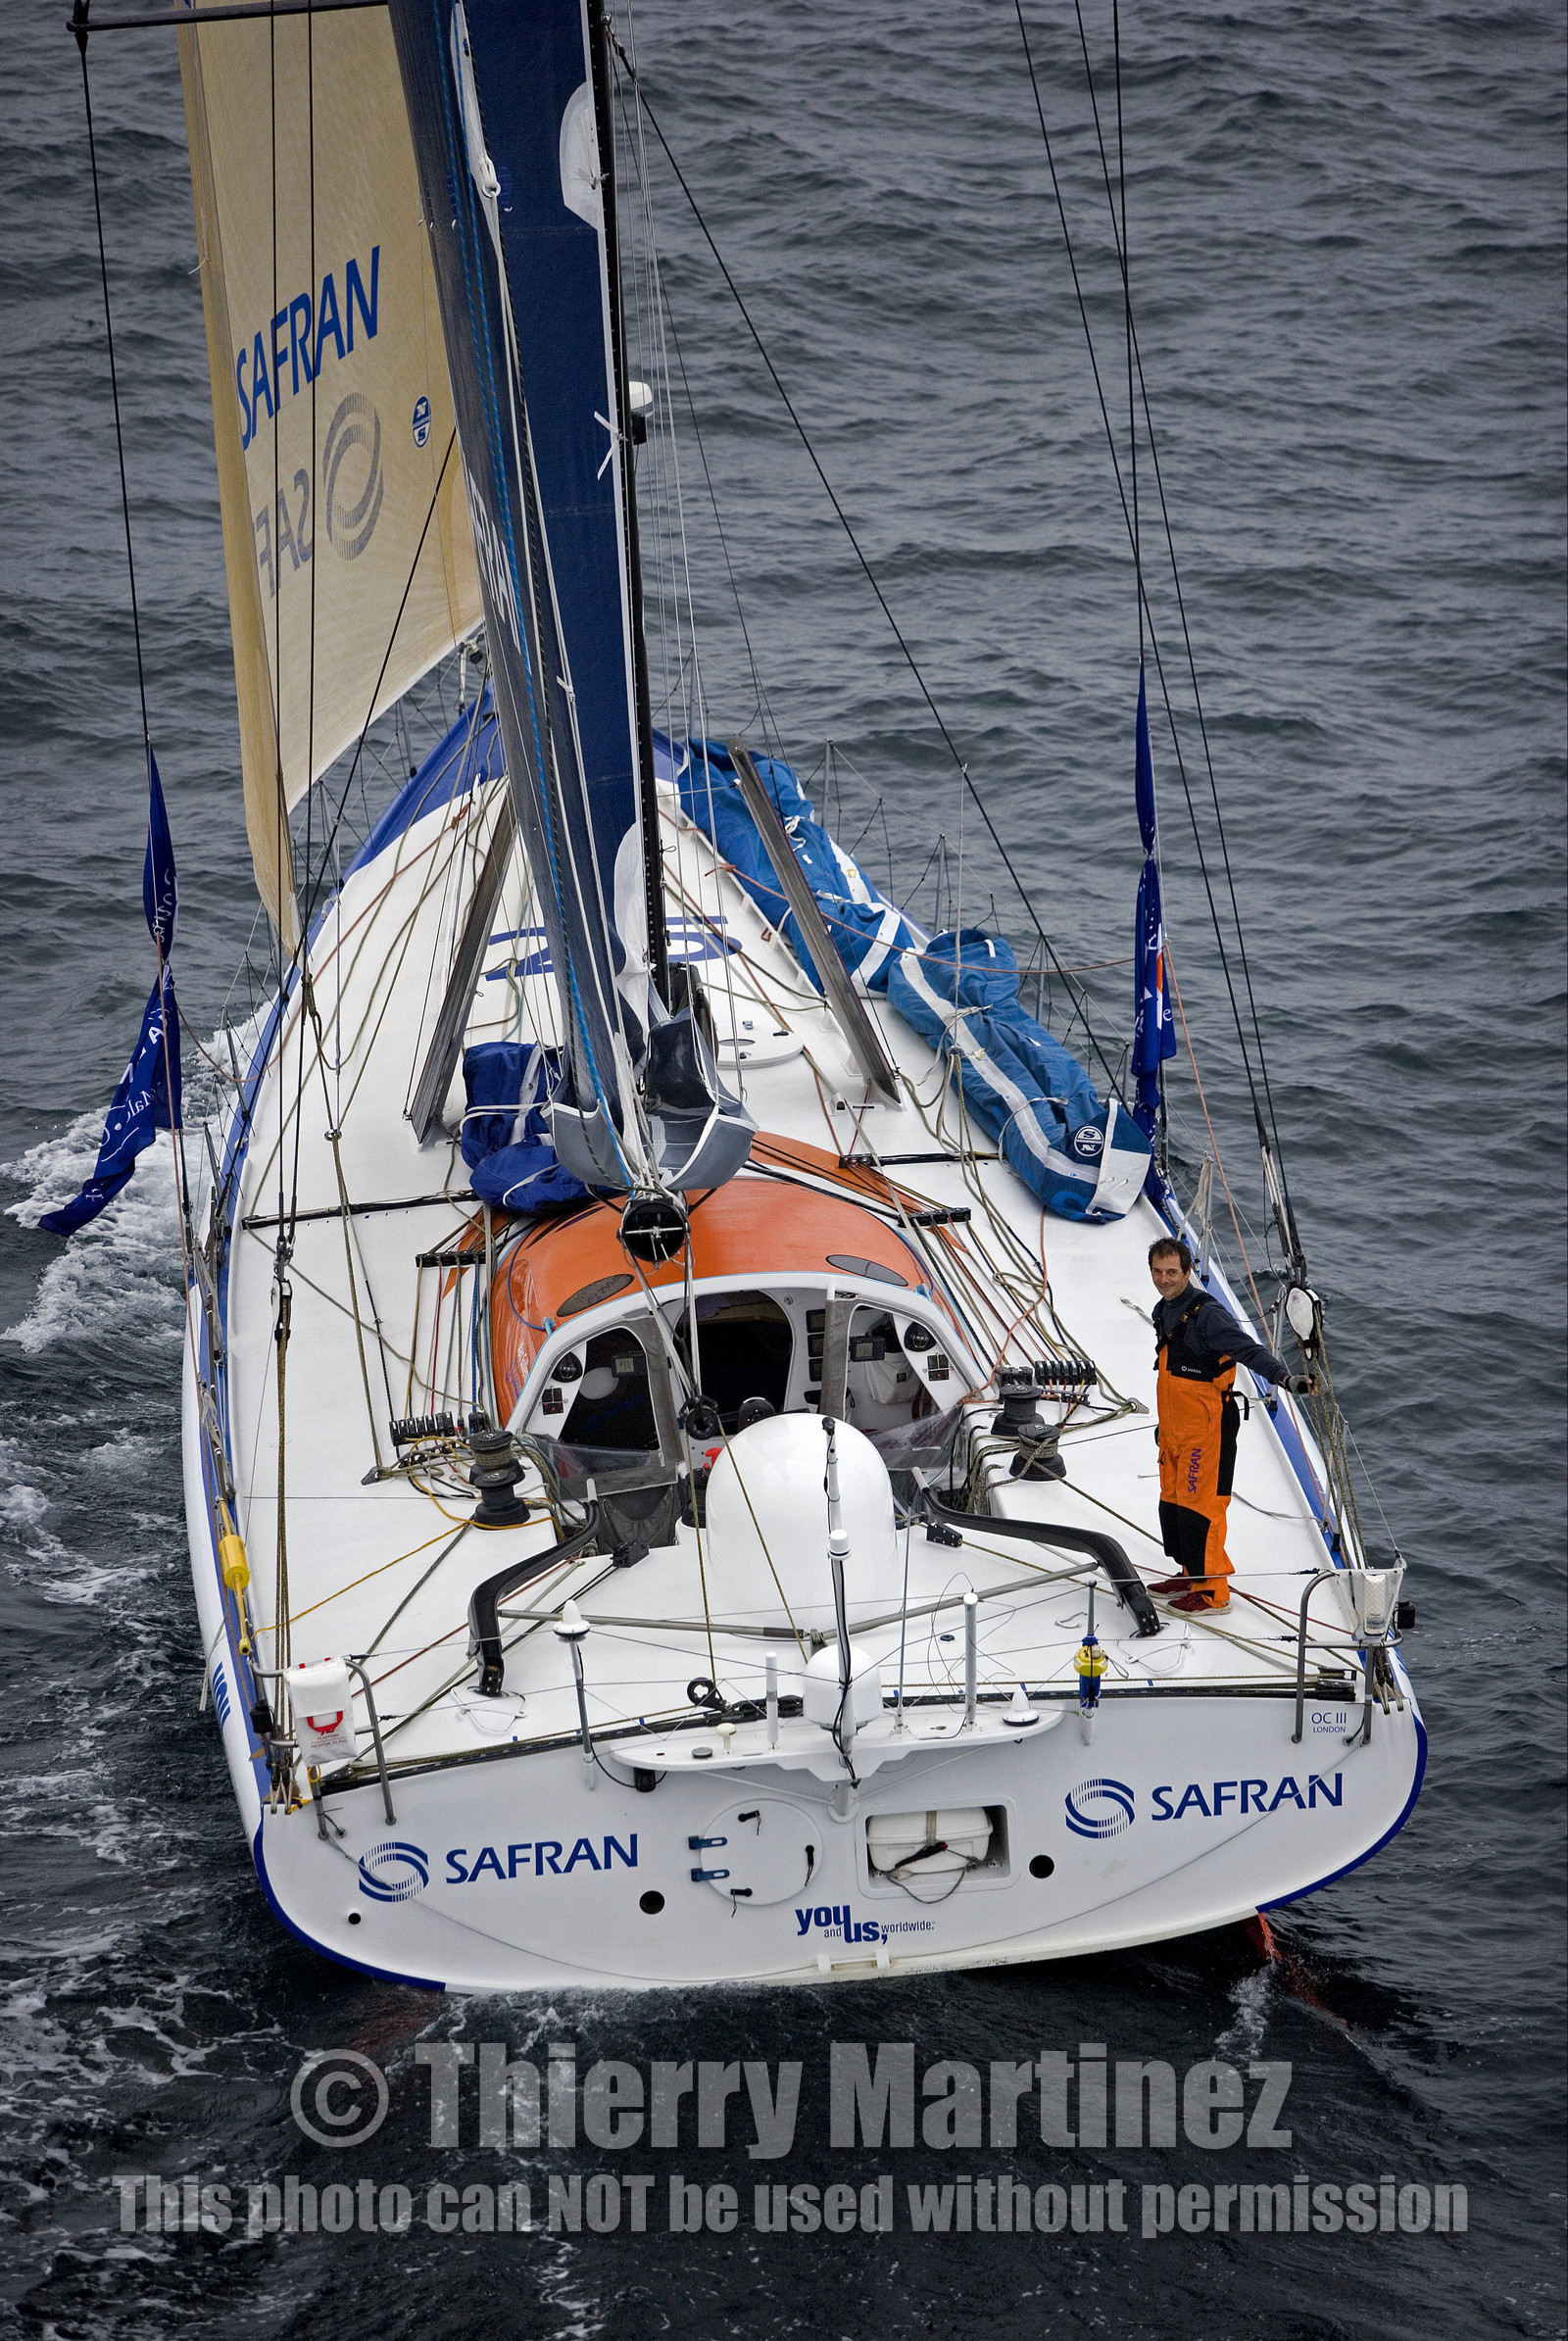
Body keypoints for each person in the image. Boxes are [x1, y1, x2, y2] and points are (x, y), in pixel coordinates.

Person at [1147, 1235, 1316, 1613]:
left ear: (1187, 1271)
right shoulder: (1163, 1310)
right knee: (1174, 1507)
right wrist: (1165, 1427)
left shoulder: (1208, 1316)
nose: (1163, 1279)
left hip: (1207, 1434)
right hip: (1174, 1432)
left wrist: (1285, 1379)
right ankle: (1191, 1573)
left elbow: (1249, 1350)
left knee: (1201, 1510)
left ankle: (1213, 1593)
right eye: (1157, 1272)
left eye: (1171, 1272)